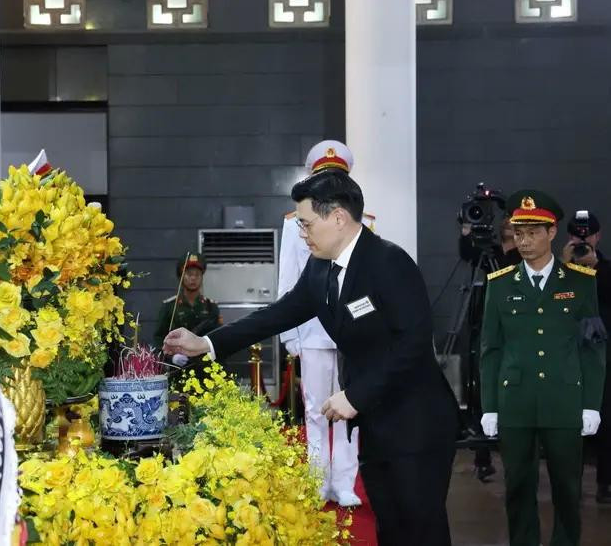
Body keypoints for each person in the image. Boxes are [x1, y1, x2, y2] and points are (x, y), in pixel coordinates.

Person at [164, 168, 459, 546]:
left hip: (418, 421)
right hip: (376, 422)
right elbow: (276, 315)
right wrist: (205, 343)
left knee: (422, 529)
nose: (302, 235)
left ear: (338, 217)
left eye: (306, 224)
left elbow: (413, 343)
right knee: (390, 526)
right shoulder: (320, 269)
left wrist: (356, 395)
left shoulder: (389, 262)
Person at [480, 190, 606, 546]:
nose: (524, 240)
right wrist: (490, 406)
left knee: (568, 489)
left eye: (534, 232)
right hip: (516, 400)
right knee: (518, 487)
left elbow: (593, 345)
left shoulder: (581, 282)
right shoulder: (500, 285)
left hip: (564, 398)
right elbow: (490, 349)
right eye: (519, 233)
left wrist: (591, 402)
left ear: (552, 233)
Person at [279, 140, 361, 506]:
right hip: (311, 329)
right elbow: (288, 280)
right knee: (314, 407)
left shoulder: (363, 223)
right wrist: (288, 337)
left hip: (351, 332)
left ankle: (344, 482)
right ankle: (316, 480)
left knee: (350, 404)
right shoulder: (295, 223)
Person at [459, 217, 523, 482]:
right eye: (505, 224)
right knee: (482, 389)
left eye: (513, 224)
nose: (507, 227)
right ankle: (482, 458)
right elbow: (467, 255)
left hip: (515, 328)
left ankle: (516, 454)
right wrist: (465, 232)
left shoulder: (522, 256)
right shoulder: (490, 253)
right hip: (485, 325)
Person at [561, 210, 611, 504]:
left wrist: (595, 270)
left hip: (603, 357)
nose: (583, 242)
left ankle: (606, 482)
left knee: (608, 420)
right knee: (569, 422)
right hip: (569, 357)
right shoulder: (559, 269)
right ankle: (570, 482)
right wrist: (565, 267)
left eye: (587, 237)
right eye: (577, 237)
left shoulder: (606, 269)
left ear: (598, 236)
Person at [153, 252, 222, 371]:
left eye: (197, 274)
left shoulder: (211, 307)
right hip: (178, 369)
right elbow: (159, 340)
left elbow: (218, 339)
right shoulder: (170, 306)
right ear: (181, 276)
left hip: (206, 369)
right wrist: (172, 358)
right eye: (189, 274)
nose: (193, 278)